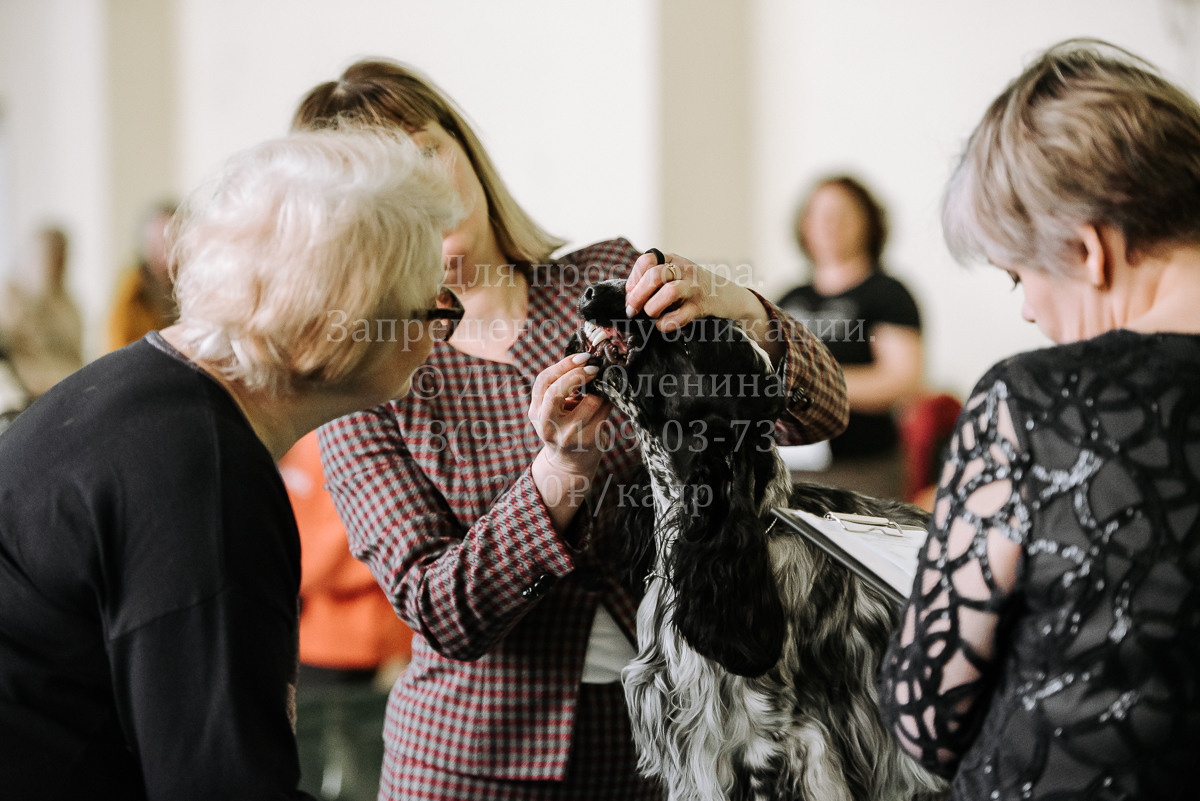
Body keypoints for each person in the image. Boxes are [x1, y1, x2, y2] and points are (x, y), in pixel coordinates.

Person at [293, 58, 850, 800]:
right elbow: (437, 608)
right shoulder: (363, 381)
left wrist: (745, 311)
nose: (423, 186)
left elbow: (816, 414)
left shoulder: (608, 284)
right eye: (387, 178)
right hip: (468, 764)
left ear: (466, 151)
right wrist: (557, 476)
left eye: (428, 151)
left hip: (666, 744)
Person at [0, 125, 461, 800]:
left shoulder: (134, 391)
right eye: (428, 307)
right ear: (337, 325)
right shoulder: (205, 481)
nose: (442, 331)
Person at [878, 38, 1200, 800]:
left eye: (1019, 273)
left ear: (1090, 249)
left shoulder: (1034, 404)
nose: (1026, 307)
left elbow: (924, 718)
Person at [279, 429, 414, 801]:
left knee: (369, 774)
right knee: (310, 770)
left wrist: (402, 652)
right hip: (317, 648)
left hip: (376, 649)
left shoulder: (380, 441)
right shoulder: (307, 442)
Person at [779, 175, 923, 499]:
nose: (829, 224)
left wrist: (813, 383)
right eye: (818, 214)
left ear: (868, 222)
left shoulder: (887, 294)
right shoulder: (788, 298)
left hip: (863, 469)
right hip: (791, 464)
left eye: (842, 213)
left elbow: (903, 380)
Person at [0, 224, 83, 396]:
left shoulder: (68, 305)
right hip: (29, 390)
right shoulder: (10, 298)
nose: (57, 264)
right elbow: (14, 358)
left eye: (61, 257)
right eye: (50, 256)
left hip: (69, 384)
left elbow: (76, 356)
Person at [106, 200, 178, 351]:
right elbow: (117, 345)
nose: (165, 251)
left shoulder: (195, 284)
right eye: (158, 242)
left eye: (173, 241)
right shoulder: (131, 288)